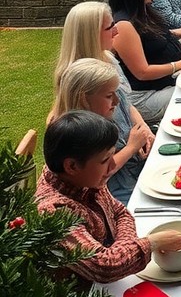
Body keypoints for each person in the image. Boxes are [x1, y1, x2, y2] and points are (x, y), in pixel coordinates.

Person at [35, 111, 181, 285]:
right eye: (104, 160)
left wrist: (122, 250)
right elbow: (104, 267)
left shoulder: (83, 178)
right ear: (72, 166)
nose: (112, 166)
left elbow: (119, 212)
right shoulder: (54, 212)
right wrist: (152, 243)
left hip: (114, 283)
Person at [50, 58, 152, 205]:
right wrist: (131, 147)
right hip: (117, 192)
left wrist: (144, 129)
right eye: (109, 96)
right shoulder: (74, 135)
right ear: (83, 98)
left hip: (138, 173)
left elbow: (127, 106)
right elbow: (102, 173)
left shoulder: (107, 106)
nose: (116, 101)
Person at [54, 0, 161, 129]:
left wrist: (142, 125)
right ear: (91, 34)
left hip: (131, 135)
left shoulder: (108, 57)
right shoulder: (79, 77)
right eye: (110, 27)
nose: (116, 31)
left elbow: (125, 102)